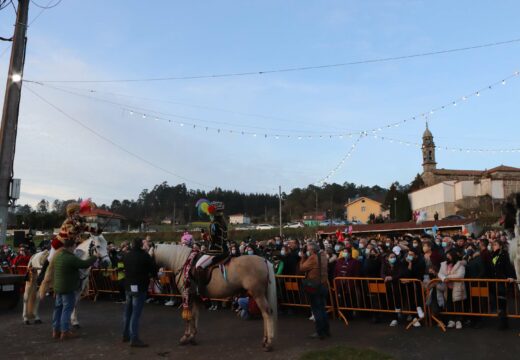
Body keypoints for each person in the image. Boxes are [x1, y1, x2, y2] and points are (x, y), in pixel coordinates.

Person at [38, 202, 100, 285]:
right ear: (72, 213)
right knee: (51, 258)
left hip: (71, 244)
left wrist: (96, 230)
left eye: (78, 212)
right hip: (60, 243)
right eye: (77, 212)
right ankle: (42, 274)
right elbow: (70, 232)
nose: (78, 214)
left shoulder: (78, 221)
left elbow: (86, 227)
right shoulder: (68, 221)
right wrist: (77, 226)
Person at [51, 238, 96, 340]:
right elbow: (84, 264)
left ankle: (55, 331)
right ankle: (65, 332)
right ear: (71, 246)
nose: (75, 249)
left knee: (58, 309)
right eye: (74, 246)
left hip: (58, 288)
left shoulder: (58, 256)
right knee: (66, 310)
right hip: (68, 288)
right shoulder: (70, 258)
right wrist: (95, 257)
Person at [122, 238, 155, 347]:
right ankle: (134, 338)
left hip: (128, 287)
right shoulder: (144, 256)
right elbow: (153, 269)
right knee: (135, 314)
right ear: (141, 245)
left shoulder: (126, 255)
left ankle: (125, 334)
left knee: (128, 312)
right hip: (140, 287)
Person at [299, 241, 330, 340]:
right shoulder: (324, 256)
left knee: (317, 310)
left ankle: (320, 332)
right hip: (324, 284)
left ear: (312, 250)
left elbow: (302, 268)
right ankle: (326, 330)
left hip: (315, 286)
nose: (307, 251)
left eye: (308, 249)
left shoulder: (312, 258)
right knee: (322, 308)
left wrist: (303, 257)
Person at [438, 250, 466, 329]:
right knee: (449, 303)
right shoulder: (443, 264)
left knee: (458, 304)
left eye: (449, 255)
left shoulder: (460, 264)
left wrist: (447, 278)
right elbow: (440, 273)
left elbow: (460, 275)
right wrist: (444, 278)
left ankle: (458, 321)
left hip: (457, 287)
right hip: (447, 287)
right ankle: (451, 320)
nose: (448, 257)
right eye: (447, 255)